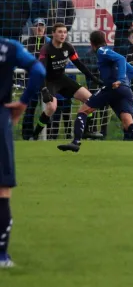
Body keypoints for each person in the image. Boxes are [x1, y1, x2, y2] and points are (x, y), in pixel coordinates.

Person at [57, 31, 133, 157]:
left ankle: (75, 142)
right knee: (127, 123)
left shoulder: (101, 51)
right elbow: (132, 71)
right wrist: (124, 83)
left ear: (92, 44)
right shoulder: (109, 53)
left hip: (111, 88)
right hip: (124, 90)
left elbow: (121, 59)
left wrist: (120, 80)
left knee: (83, 111)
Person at [0, 37, 46, 268]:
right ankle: (1, 256)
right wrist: (24, 102)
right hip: (1, 119)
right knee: (2, 188)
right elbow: (38, 71)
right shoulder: (9, 47)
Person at [31, 23, 102, 140]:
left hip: (62, 79)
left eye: (64, 32)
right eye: (59, 32)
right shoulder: (46, 49)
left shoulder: (68, 47)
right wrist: (43, 89)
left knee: (90, 99)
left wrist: (95, 79)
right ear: (53, 33)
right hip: (49, 81)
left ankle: (86, 131)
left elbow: (80, 65)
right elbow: (41, 71)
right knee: (51, 108)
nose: (62, 34)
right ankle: (35, 135)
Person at [21, 18, 50, 140]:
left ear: (45, 28)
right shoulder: (27, 43)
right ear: (33, 28)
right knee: (30, 108)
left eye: (41, 26)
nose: (39, 28)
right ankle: (27, 136)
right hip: (31, 80)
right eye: (37, 26)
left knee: (49, 108)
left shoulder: (49, 43)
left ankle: (48, 135)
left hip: (46, 81)